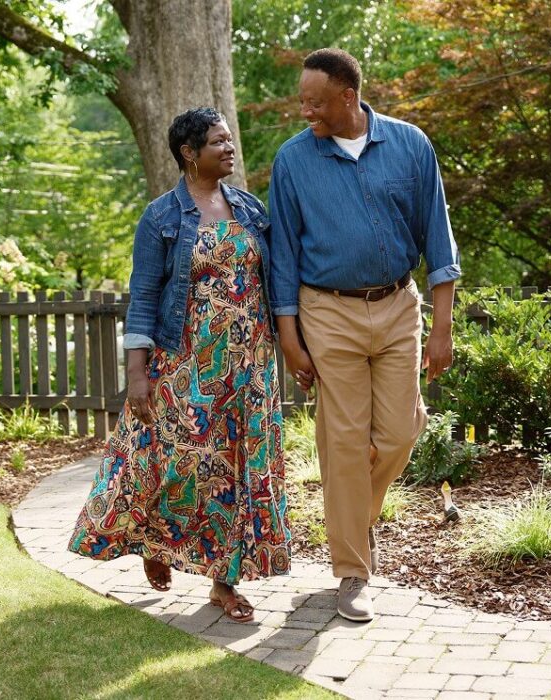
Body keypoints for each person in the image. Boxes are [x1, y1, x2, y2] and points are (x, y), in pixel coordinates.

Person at [69, 107, 291, 623]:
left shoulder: (251, 210)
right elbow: (144, 297)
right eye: (218, 142)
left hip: (249, 367)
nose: (230, 149)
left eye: (230, 140)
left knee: (236, 470)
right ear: (189, 153)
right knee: (172, 463)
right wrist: (137, 375)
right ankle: (155, 540)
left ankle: (224, 582)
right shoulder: (162, 217)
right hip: (184, 364)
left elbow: (274, 284)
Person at [269, 48, 460, 622]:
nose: (307, 112)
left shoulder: (409, 144)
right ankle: (352, 572)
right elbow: (283, 254)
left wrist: (443, 327)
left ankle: (357, 513)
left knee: (402, 433)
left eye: (316, 102)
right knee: (345, 443)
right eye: (302, 100)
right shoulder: (293, 161)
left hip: (399, 304)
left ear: (348, 96)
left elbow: (439, 240)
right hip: (326, 310)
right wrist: (290, 338)